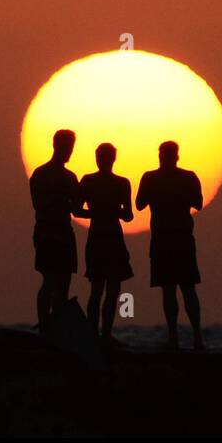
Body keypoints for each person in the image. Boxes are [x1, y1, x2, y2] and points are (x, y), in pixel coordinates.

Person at [136, 141, 204, 351]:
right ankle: (194, 338)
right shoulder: (187, 177)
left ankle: (177, 338)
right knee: (186, 288)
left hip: (167, 239)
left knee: (173, 290)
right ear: (176, 156)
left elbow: (139, 204)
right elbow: (198, 203)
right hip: (178, 239)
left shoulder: (152, 178)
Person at [75, 143, 133, 342]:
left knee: (98, 289)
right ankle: (103, 334)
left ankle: (95, 333)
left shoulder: (89, 181)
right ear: (113, 159)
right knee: (108, 289)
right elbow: (128, 216)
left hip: (99, 237)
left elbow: (76, 210)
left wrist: (96, 212)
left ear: (98, 158)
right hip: (110, 237)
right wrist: (110, 211)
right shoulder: (122, 183)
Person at [29, 129, 80, 332]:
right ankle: (45, 326)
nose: (69, 152)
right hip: (47, 232)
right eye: (66, 147)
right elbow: (38, 204)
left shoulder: (70, 177)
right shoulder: (40, 174)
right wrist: (60, 200)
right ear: (55, 146)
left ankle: (57, 326)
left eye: (71, 148)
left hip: (64, 233)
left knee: (64, 283)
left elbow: (76, 208)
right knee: (49, 280)